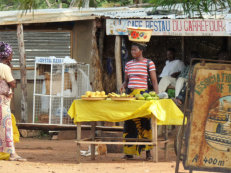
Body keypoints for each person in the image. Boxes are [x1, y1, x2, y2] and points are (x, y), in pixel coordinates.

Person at [120, 42, 158, 160]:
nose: (132, 52)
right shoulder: (128, 64)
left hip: (143, 96)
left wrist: (157, 96)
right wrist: (123, 86)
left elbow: (154, 80)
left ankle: (148, 153)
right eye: (131, 50)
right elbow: (126, 80)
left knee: (144, 123)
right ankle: (129, 153)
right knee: (130, 123)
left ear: (141, 50)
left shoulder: (148, 63)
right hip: (130, 96)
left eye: (135, 50)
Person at [0, 42, 26, 161]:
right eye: (11, 53)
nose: (12, 55)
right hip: (2, 102)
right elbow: (12, 83)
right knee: (7, 128)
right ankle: (12, 154)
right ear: (7, 54)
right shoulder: (4, 67)